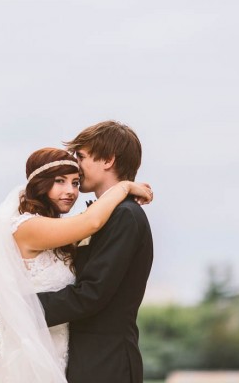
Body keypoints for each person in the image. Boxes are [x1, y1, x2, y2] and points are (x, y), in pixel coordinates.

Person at [0, 147, 153, 383]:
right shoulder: (26, 227)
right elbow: (92, 221)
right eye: (60, 181)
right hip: (32, 354)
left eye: (75, 182)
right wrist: (123, 187)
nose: (70, 191)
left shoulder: (62, 236)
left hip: (62, 353)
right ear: (40, 184)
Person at [37, 121, 153, 383]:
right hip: (87, 360)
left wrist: (27, 307)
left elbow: (92, 293)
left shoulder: (126, 216)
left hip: (107, 364)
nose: (76, 165)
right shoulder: (106, 215)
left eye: (81, 156)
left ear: (108, 160)